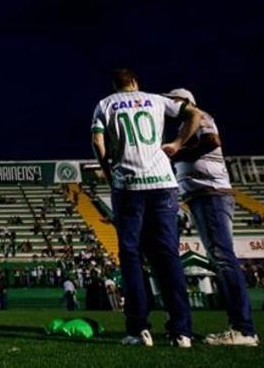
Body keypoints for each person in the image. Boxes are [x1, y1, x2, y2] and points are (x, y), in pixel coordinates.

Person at [92, 68, 200, 348]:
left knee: (130, 256)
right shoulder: (156, 99)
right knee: (168, 256)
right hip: (163, 182)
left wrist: (108, 169)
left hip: (128, 185)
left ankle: (139, 329)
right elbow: (195, 114)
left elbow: (97, 141)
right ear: (136, 82)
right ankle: (182, 331)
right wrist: (177, 143)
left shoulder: (105, 104)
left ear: (115, 85)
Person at [163, 88, 259, 347]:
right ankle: (242, 326)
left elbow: (212, 141)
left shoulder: (198, 116)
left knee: (223, 258)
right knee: (221, 258)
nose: (169, 105)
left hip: (211, 194)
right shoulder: (185, 126)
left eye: (173, 100)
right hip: (204, 195)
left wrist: (177, 152)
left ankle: (243, 329)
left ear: (186, 102)